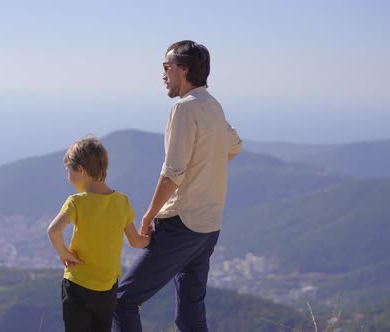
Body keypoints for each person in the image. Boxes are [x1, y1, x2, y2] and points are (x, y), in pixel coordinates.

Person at [112, 40, 243, 332]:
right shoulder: (213, 105)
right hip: (209, 224)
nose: (162, 75)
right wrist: (207, 169)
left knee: (123, 300)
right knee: (190, 313)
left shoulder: (184, 109)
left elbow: (173, 173)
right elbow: (234, 145)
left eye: (166, 67)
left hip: (181, 223)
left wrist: (147, 216)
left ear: (183, 69)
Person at [47, 137, 151, 332]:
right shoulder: (122, 202)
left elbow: (53, 231)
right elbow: (137, 242)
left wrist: (65, 253)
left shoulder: (76, 202)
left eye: (68, 172)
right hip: (107, 288)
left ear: (80, 170)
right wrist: (152, 237)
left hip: (77, 284)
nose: (68, 178)